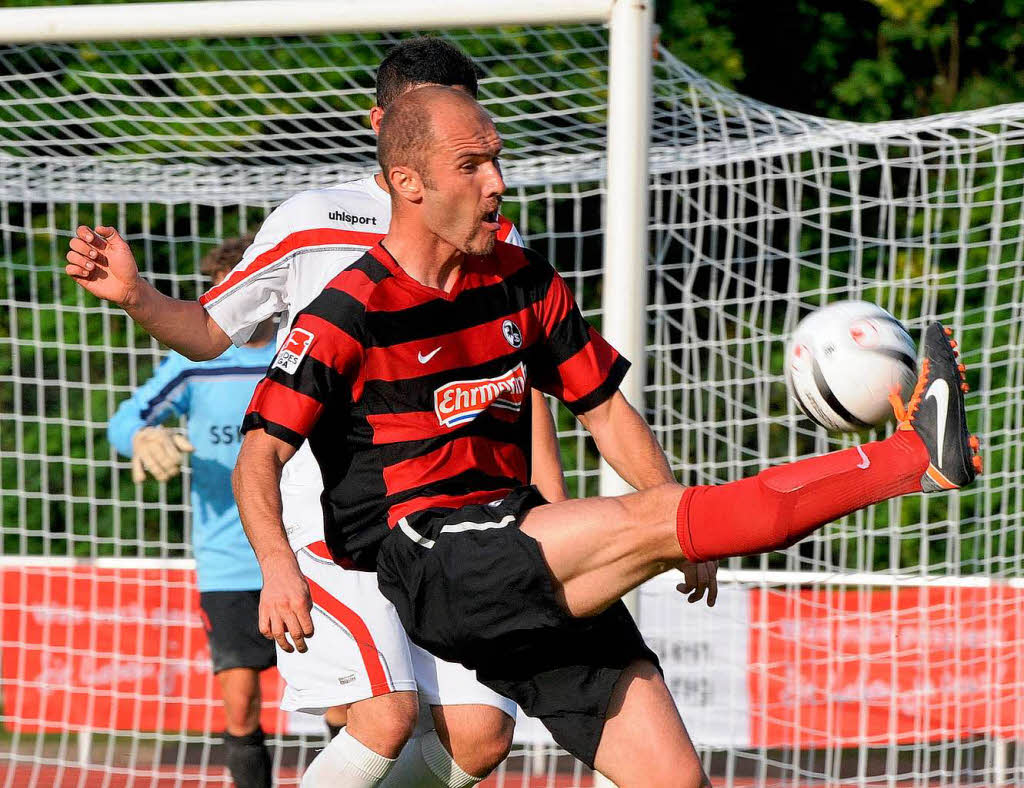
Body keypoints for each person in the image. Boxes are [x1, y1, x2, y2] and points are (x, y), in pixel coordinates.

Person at [233, 86, 982, 788]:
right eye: (471, 165)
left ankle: (915, 457)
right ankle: (915, 456)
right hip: (436, 557)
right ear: (408, 183)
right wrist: (277, 565)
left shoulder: (523, 281)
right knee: (654, 524)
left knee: (672, 776)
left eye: (497, 158)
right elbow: (259, 453)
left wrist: (673, 515)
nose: (496, 182)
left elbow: (606, 410)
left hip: (515, 544)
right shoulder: (347, 310)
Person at [66, 38, 634, 788]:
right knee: (384, 715)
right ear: (385, 125)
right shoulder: (313, 220)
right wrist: (139, 298)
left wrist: (551, 519)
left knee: (479, 740)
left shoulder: (496, 236)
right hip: (336, 522)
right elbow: (207, 331)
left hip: (465, 522)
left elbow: (527, 390)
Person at [107, 237, 278, 788]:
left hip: (307, 552)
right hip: (229, 560)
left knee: (341, 703)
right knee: (241, 701)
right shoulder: (196, 361)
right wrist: (140, 438)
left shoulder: (303, 353)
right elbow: (125, 418)